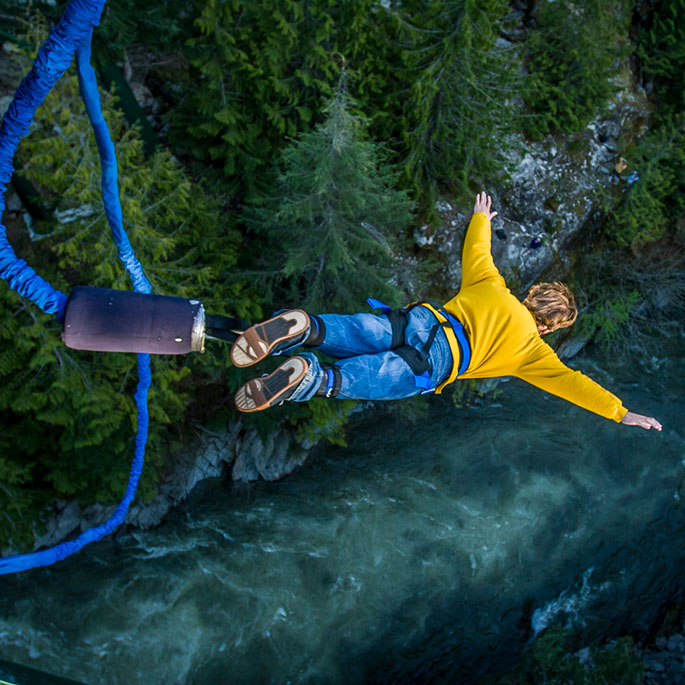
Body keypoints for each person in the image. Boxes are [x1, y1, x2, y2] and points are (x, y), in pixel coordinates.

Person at [230, 192, 662, 432]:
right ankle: (310, 376)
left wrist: (482, 218)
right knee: (363, 379)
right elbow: (574, 385)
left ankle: (306, 327)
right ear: (548, 327)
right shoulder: (533, 352)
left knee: (363, 330)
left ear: (531, 295)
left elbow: (478, 250)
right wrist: (621, 412)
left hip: (422, 320)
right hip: (438, 362)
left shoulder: (492, 285)